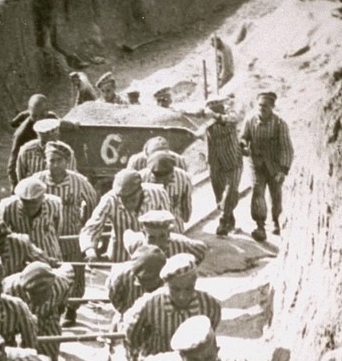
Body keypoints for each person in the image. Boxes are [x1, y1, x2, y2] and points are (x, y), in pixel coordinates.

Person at [123, 253, 221, 361]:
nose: (182, 296)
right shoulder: (148, 305)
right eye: (175, 289)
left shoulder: (209, 305)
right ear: (166, 285)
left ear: (195, 282)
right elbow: (132, 336)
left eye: (188, 288)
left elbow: (208, 335)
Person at [35, 141, 97, 320]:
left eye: (59, 160)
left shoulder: (79, 181)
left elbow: (93, 203)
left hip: (71, 237)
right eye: (51, 160)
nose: (54, 164)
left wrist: (84, 227)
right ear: (45, 161)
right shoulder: (37, 181)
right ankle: (54, 307)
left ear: (67, 161)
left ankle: (72, 308)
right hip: (46, 239)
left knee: (75, 274)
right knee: (49, 273)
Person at [80, 169, 170, 263]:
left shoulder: (158, 194)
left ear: (140, 190)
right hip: (121, 257)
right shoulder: (110, 199)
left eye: (132, 199)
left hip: (153, 257)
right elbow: (91, 228)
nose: (128, 204)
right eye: (124, 200)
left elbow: (168, 224)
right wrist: (90, 251)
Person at [240, 91, 294, 242]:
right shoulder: (250, 121)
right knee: (258, 191)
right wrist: (243, 144)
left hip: (274, 164)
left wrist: (284, 169)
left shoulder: (279, 124)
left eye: (265, 106)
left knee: (275, 194)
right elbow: (244, 137)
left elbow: (286, 147)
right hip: (257, 163)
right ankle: (260, 225)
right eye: (260, 105)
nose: (262, 109)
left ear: (272, 107)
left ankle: (276, 221)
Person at [3, 261, 75, 361]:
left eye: (44, 293)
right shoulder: (9, 289)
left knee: (50, 350)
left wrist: (62, 305)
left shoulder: (60, 284)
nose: (40, 298)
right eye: (34, 294)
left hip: (47, 317)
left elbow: (69, 270)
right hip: (17, 318)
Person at [0, 176, 69, 264]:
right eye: (26, 203)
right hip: (20, 256)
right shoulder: (7, 207)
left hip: (49, 254)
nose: (30, 208)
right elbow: (0, 234)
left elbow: (57, 229)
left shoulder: (54, 204)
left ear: (42, 197)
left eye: (34, 203)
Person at [204, 98, 243, 237]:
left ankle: (223, 220)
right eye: (211, 106)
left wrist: (215, 116)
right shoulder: (205, 115)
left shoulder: (229, 113)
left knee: (231, 189)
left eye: (216, 105)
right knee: (219, 192)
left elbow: (234, 119)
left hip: (232, 158)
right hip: (215, 160)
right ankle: (229, 217)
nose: (213, 107)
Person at [122, 207, 207, 264]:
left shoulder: (182, 245)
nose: (157, 243)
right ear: (144, 234)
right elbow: (127, 235)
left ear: (169, 233)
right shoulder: (135, 245)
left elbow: (201, 250)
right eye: (151, 238)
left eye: (162, 236)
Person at [7, 93, 58, 186]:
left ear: (47, 111)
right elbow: (12, 166)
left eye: (42, 115)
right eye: (34, 116)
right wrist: (17, 188)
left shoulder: (52, 118)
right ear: (29, 112)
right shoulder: (22, 134)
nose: (38, 120)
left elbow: (60, 124)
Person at [107, 244, 166, 316]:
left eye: (151, 279)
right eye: (144, 280)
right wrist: (128, 314)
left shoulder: (173, 277)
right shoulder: (120, 277)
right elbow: (115, 298)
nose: (147, 285)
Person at [145, 151, 192, 225]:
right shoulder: (142, 178)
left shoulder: (183, 178)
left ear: (172, 171)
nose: (163, 182)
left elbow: (186, 206)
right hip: (151, 227)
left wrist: (185, 217)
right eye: (158, 180)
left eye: (166, 179)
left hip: (174, 225)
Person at [16, 116, 64, 183]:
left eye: (53, 138)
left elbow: (70, 175)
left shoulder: (65, 151)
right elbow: (21, 177)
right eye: (44, 141)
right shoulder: (26, 151)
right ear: (38, 135)